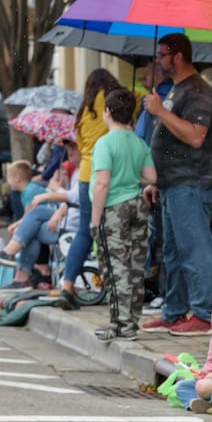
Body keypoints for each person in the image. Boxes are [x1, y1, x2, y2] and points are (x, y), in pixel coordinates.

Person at [141, 34, 212, 337]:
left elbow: (196, 136)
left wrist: (160, 111)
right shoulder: (177, 90)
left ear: (178, 56)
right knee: (172, 251)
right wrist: (157, 179)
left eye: (162, 55)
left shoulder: (198, 91)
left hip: (192, 181)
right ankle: (173, 311)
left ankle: (203, 314)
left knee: (195, 248)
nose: (157, 60)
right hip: (172, 183)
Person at [88, 87, 155, 342]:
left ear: (107, 112)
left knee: (115, 268)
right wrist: (129, 176)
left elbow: (102, 183)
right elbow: (151, 177)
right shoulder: (139, 142)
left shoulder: (104, 143)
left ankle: (121, 325)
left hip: (113, 209)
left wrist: (95, 221)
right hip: (137, 206)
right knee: (136, 266)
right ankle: (131, 322)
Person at [52, 68, 120, 310]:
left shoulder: (83, 112)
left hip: (85, 175)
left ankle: (67, 285)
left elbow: (81, 146)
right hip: (108, 173)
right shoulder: (114, 102)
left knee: (85, 231)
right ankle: (117, 291)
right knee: (114, 232)